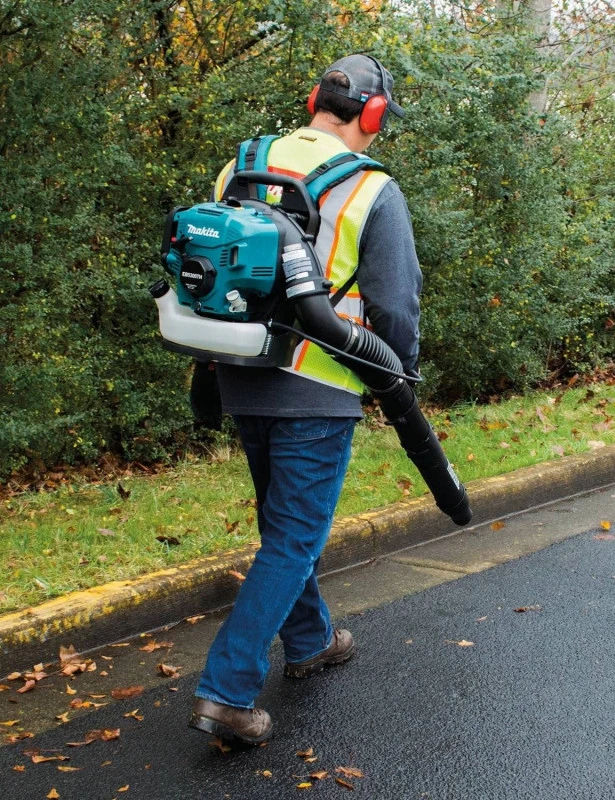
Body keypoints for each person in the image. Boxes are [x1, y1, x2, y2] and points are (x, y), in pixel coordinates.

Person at [189, 54, 422, 745]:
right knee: (294, 537)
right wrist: (398, 378)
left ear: (316, 99)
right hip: (319, 385)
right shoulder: (373, 189)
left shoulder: (242, 166)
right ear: (373, 115)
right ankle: (227, 690)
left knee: (284, 528)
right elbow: (395, 306)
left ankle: (312, 640)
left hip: (240, 373)